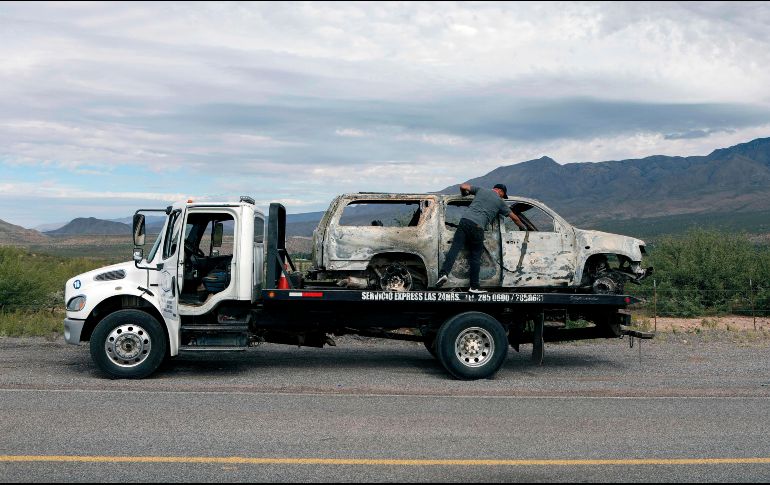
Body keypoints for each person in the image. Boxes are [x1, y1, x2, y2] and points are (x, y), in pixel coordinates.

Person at [436, 183, 526, 294]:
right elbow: (514, 218)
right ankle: (474, 286)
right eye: (503, 195)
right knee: (475, 257)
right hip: (477, 226)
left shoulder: (481, 190)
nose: (502, 197)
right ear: (500, 191)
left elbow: (463, 186)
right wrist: (523, 227)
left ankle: (443, 274)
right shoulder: (500, 201)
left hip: (464, 221)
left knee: (454, 249)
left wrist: (464, 194)